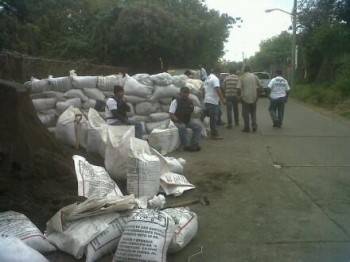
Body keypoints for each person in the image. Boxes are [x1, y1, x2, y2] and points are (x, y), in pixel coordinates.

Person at [169, 86, 202, 152]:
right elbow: (171, 114)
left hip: (187, 120)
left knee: (198, 126)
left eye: (187, 93)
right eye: (184, 93)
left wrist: (192, 109)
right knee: (182, 127)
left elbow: (192, 112)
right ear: (181, 93)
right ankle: (187, 145)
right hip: (178, 121)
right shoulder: (175, 101)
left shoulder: (189, 101)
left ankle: (195, 144)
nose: (186, 95)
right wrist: (178, 120)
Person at [237, 65, 262, 132]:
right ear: (250, 70)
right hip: (254, 98)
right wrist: (258, 96)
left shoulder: (241, 77)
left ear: (244, 70)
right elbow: (261, 86)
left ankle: (247, 127)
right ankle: (254, 126)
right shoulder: (255, 76)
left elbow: (238, 88)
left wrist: (239, 97)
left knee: (245, 114)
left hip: (245, 98)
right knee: (253, 113)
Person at [203, 67, 226, 139]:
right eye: (220, 73)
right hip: (212, 101)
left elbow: (203, 89)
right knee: (214, 118)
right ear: (217, 72)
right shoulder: (215, 79)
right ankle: (214, 134)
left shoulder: (208, 78)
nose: (220, 75)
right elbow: (217, 89)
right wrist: (223, 99)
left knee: (219, 112)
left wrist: (205, 97)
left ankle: (204, 114)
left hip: (208, 100)